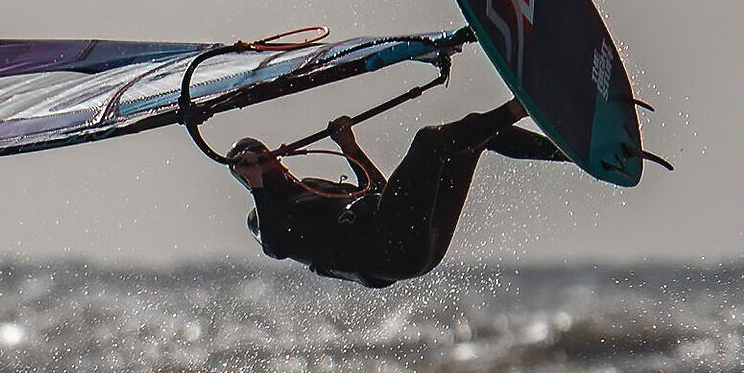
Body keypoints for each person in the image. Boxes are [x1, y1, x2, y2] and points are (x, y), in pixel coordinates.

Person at [226, 98, 566, 287]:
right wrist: (256, 184)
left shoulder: (310, 186)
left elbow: (384, 194)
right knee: (428, 142)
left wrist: (351, 149)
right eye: (247, 162)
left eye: (258, 150)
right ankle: (519, 107)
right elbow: (275, 246)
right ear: (245, 177)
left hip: (420, 244)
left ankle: (571, 152)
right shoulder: (264, 217)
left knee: (474, 137)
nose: (258, 157)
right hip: (386, 254)